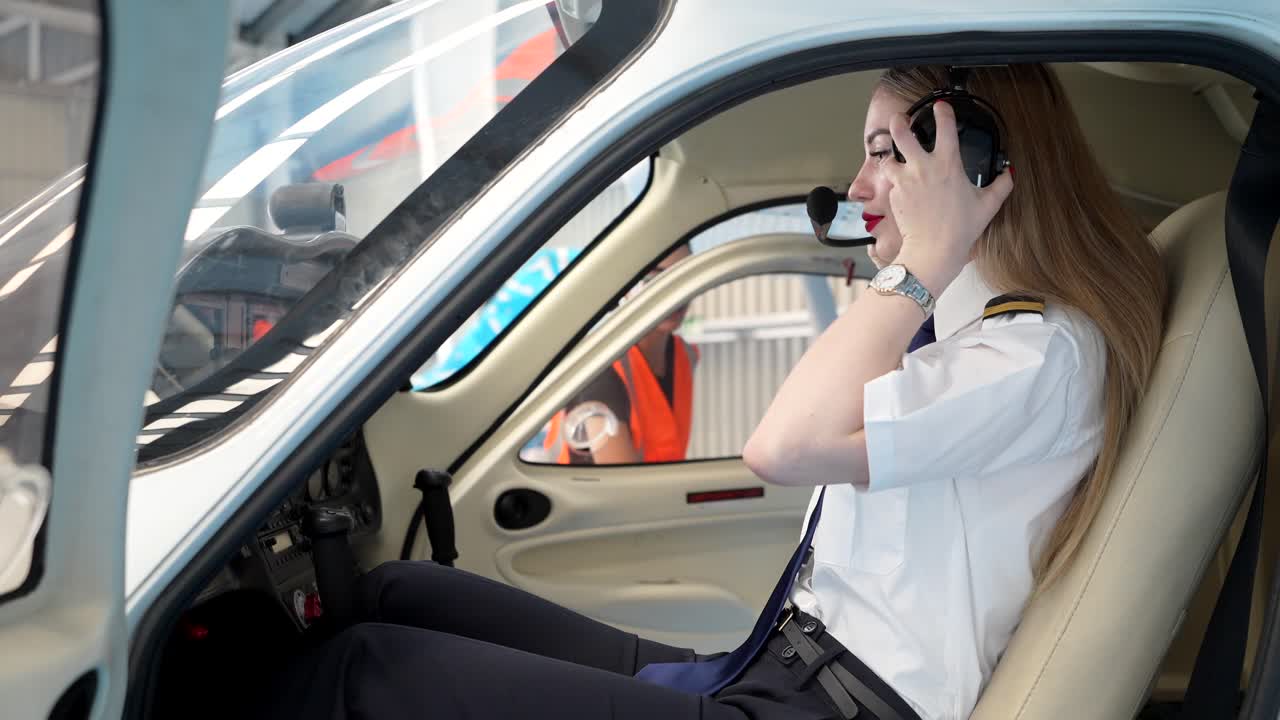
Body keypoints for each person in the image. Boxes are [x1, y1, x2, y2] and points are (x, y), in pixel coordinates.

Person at [245, 63, 1166, 720]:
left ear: (973, 165)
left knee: (365, 674)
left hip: (819, 705)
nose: (859, 186)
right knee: (402, 592)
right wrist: (917, 276)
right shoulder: (970, 340)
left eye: (888, 152)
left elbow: (783, 447)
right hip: (775, 665)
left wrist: (920, 263)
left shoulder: (1040, 356)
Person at [541, 243, 698, 464]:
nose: (675, 291)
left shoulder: (685, 355)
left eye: (686, 275)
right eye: (654, 279)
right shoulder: (601, 369)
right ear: (626, 287)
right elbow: (620, 489)